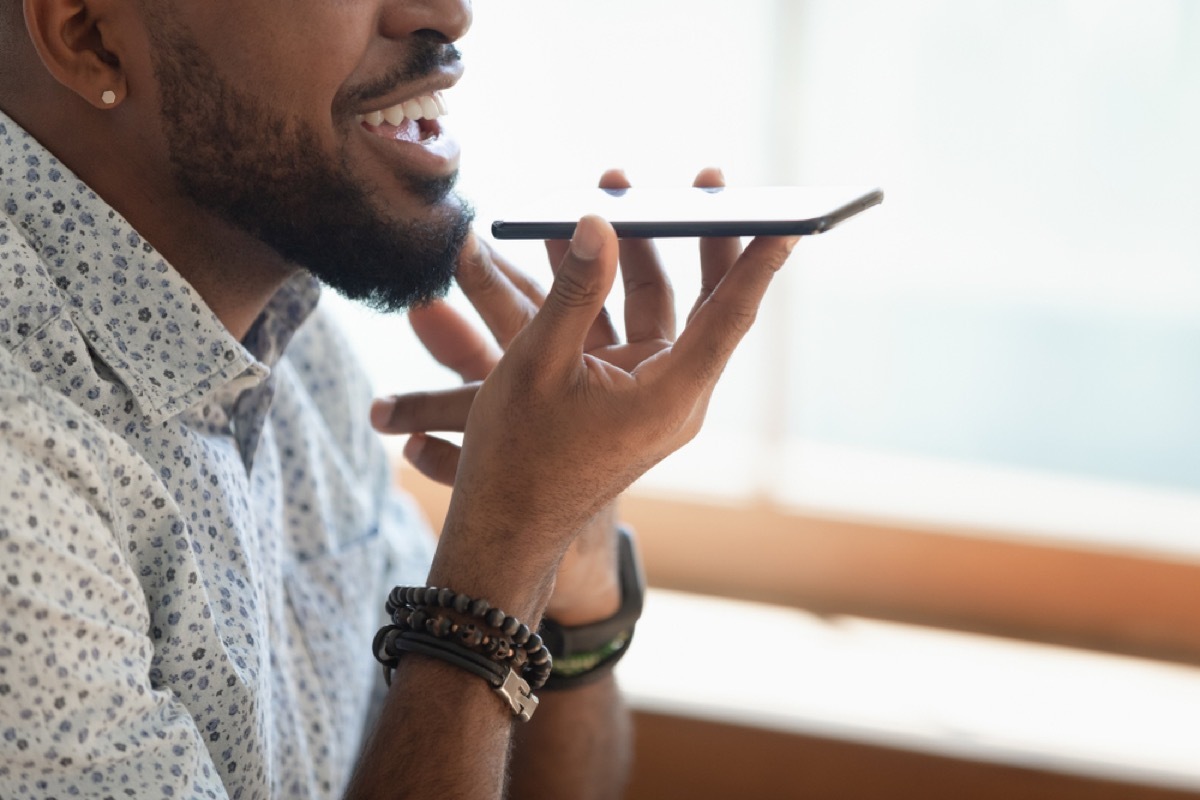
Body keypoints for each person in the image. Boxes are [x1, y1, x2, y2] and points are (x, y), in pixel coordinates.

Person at [0, 0, 799, 797]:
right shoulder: (19, 480)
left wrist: (569, 582)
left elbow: (451, 748)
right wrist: (507, 544)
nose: (448, 15)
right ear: (91, 37)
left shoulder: (299, 353)